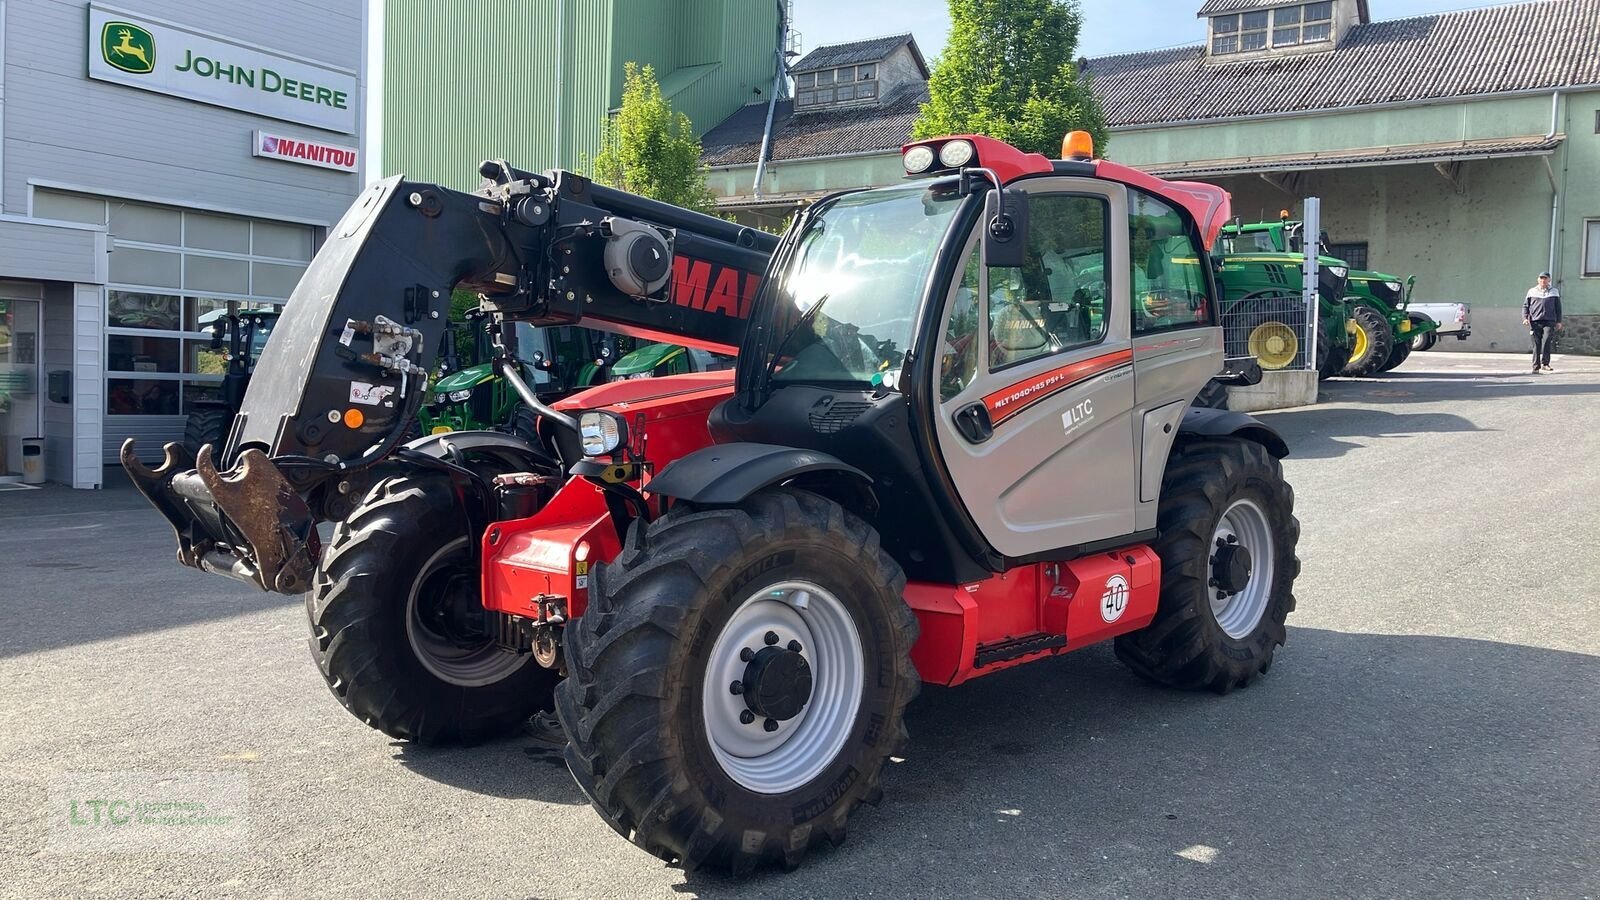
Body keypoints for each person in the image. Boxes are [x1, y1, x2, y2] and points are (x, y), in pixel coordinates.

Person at [1522, 272, 1563, 373]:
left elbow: (1558, 308)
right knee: (1536, 344)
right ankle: (1536, 366)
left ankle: (1545, 363)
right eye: (1541, 278)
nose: (1543, 280)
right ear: (1538, 280)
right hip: (1535, 321)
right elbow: (1525, 306)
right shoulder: (1532, 291)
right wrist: (1525, 318)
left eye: (1545, 278)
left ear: (1549, 280)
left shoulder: (1554, 291)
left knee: (1547, 340)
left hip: (1549, 321)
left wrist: (1559, 321)